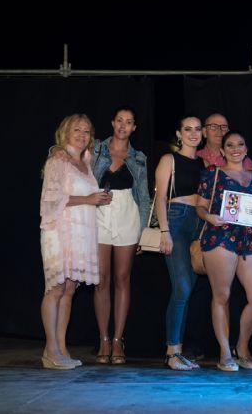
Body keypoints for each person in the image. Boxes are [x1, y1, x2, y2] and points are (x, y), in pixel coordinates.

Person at [39, 114, 111, 369]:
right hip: (59, 231)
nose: (82, 135)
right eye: (76, 130)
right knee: (56, 288)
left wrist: (98, 198)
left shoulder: (87, 161)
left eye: (87, 131)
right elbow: (50, 201)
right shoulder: (57, 160)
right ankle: (50, 350)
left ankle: (61, 348)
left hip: (81, 233)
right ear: (65, 132)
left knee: (69, 290)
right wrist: (88, 200)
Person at [196, 132, 252, 371]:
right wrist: (209, 217)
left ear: (246, 149)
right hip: (220, 236)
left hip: (249, 239)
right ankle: (225, 353)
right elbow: (200, 207)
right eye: (230, 145)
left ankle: (242, 346)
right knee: (222, 296)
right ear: (222, 150)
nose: (235, 148)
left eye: (240, 144)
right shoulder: (212, 173)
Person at [184, 113, 252, 361]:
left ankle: (231, 345)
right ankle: (194, 344)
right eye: (214, 126)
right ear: (205, 131)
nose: (219, 130)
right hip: (207, 229)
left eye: (223, 126)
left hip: (240, 236)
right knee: (200, 289)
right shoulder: (196, 157)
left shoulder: (245, 161)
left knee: (233, 293)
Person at [91, 106, 150, 365]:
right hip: (99, 215)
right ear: (113, 123)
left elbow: (144, 197)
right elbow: (67, 157)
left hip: (128, 214)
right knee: (100, 280)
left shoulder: (139, 158)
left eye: (129, 122)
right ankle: (103, 339)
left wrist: (143, 232)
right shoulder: (95, 149)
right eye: (119, 120)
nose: (123, 126)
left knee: (122, 279)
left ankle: (118, 340)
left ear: (134, 128)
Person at [155, 115, 205, 371]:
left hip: (198, 222)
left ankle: (179, 351)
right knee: (182, 288)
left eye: (197, 129)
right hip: (175, 220)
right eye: (188, 129)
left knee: (188, 289)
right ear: (179, 134)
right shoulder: (169, 159)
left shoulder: (204, 163)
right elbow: (160, 197)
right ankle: (171, 352)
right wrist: (164, 231)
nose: (193, 133)